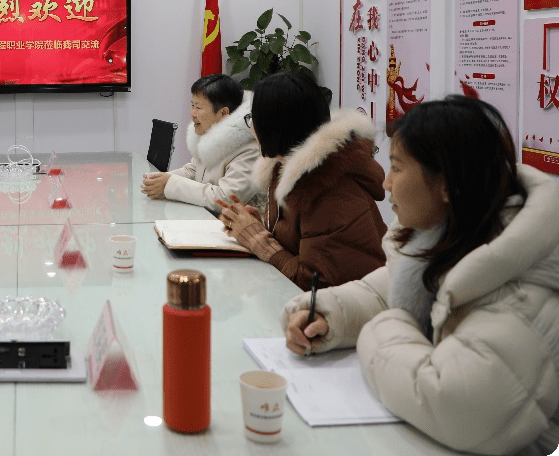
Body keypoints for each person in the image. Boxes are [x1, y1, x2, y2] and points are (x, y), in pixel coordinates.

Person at [282, 96, 559, 455]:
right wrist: (327, 314)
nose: (386, 183)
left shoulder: (525, 296)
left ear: (446, 185)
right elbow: (384, 292)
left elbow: (452, 402)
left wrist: (379, 328)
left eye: (397, 168)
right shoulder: (448, 237)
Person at [217, 71, 386, 289]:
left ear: (272, 125)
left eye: (253, 118)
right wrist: (258, 228)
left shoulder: (329, 189)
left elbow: (317, 284)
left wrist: (260, 242)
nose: (252, 127)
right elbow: (298, 245)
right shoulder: (287, 168)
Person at [140, 74, 261, 212]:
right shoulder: (211, 136)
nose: (192, 113)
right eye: (192, 105)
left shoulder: (249, 150)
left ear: (223, 113)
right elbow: (192, 170)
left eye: (198, 107)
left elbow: (226, 198)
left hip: (232, 224)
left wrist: (169, 185)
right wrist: (161, 180)